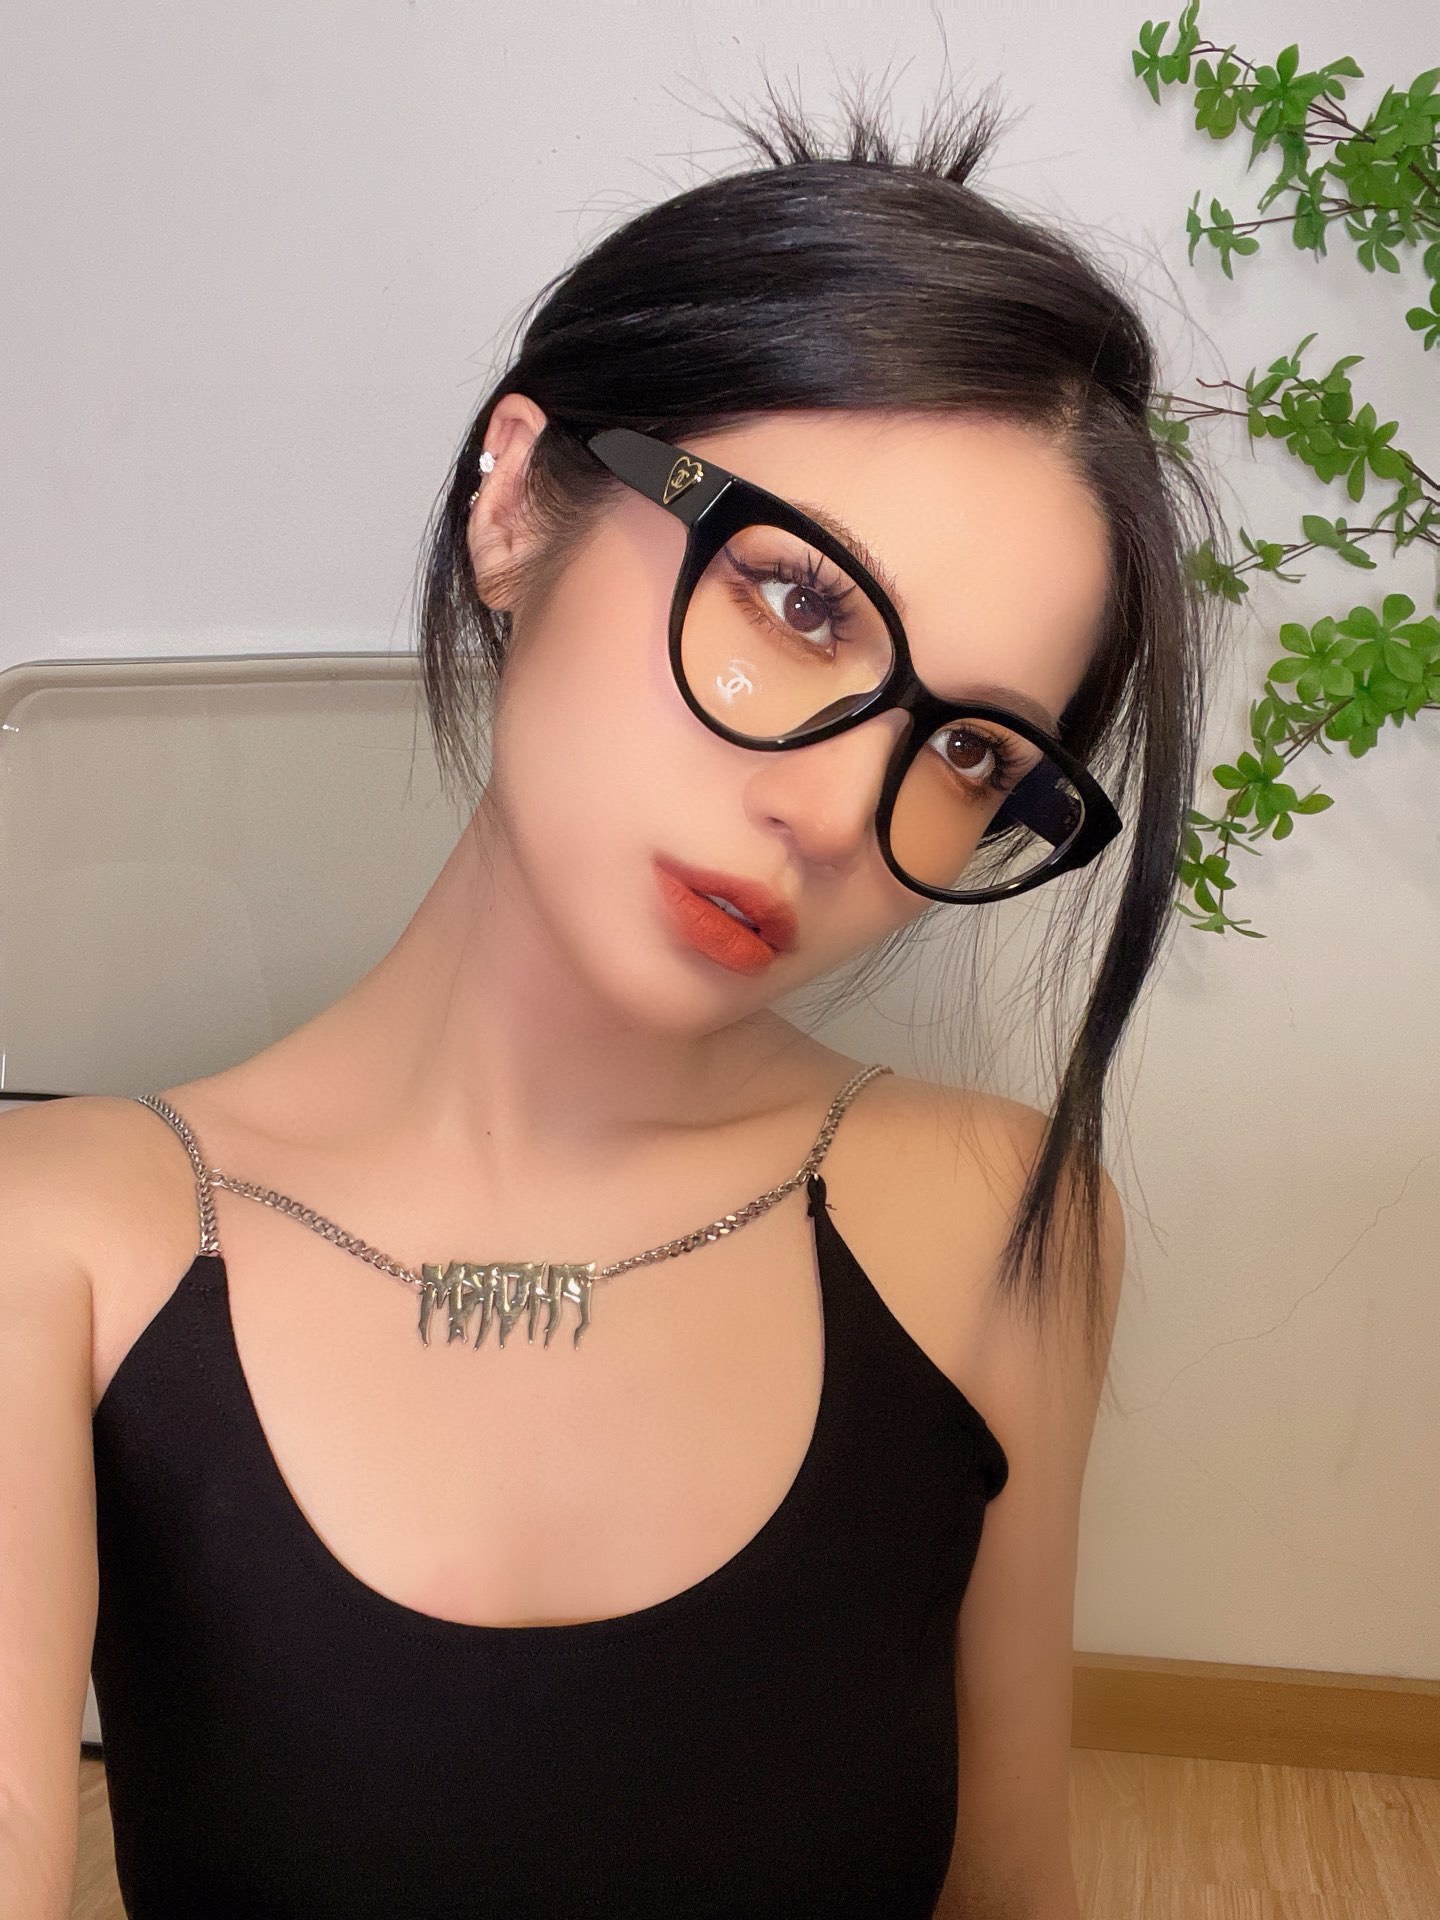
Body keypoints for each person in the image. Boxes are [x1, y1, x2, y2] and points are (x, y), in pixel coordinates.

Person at [0, 81, 1221, 1920]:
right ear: (515, 500)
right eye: (798, 603)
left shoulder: (1001, 1223)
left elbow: (1011, 1881)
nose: (840, 811)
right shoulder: (62, 1246)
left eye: (971, 749)